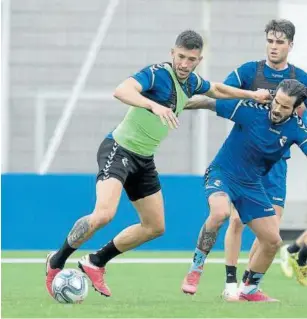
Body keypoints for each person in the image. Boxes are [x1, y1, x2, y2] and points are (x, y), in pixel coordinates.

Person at [45, 30, 270, 298]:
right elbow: (121, 90)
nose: (185, 64)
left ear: (199, 59)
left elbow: (218, 89)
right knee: (104, 214)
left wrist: (252, 95)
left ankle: (96, 262)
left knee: (155, 227)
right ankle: (56, 261)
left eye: (192, 59)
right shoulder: (157, 74)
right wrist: (153, 106)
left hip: (143, 159)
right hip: (118, 150)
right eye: (181, 57)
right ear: (172, 53)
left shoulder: (192, 82)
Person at [181, 79, 307, 302]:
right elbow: (208, 102)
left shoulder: (296, 129)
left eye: (285, 106)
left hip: (252, 185)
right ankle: (196, 268)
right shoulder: (249, 109)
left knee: (273, 241)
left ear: (296, 109)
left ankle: (249, 290)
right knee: (220, 213)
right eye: (276, 102)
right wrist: (170, 104)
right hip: (223, 173)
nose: (277, 109)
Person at [218, 19, 307, 300]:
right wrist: (250, 97)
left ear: (290, 46)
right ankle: (230, 282)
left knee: (270, 231)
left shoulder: (300, 79)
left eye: (280, 42)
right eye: (270, 41)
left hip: (277, 163)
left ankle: (248, 285)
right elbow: (220, 91)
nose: (273, 47)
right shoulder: (249, 71)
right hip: (246, 160)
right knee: (236, 221)